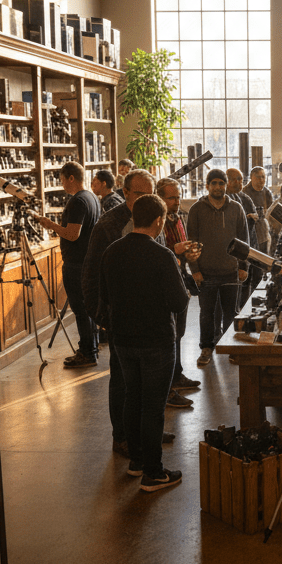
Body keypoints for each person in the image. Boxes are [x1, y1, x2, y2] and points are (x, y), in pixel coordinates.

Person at [98, 194, 187, 492]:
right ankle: (154, 472)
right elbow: (177, 301)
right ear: (159, 221)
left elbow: (105, 296)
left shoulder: (112, 252)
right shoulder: (162, 255)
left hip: (122, 338)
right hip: (156, 340)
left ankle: (136, 462)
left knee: (132, 398)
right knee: (153, 407)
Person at [83, 168, 175, 456]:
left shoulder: (152, 222)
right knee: (124, 382)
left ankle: (147, 435)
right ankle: (123, 436)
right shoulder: (109, 226)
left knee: (147, 387)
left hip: (151, 322)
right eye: (141, 194)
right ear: (125, 193)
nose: (148, 199)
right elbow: (91, 278)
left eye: (152, 194)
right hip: (123, 323)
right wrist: (103, 319)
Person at [31, 161, 100, 368]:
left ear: (71, 178)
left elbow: (72, 234)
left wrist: (50, 225)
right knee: (88, 309)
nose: (61, 184)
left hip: (76, 264)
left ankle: (87, 353)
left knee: (80, 310)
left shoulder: (78, 201)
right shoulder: (92, 198)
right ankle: (91, 348)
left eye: (62, 180)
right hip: (87, 261)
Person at [188, 169, 249, 366]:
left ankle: (231, 347)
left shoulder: (237, 208)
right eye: (213, 183)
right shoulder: (197, 209)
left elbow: (244, 242)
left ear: (226, 185)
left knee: (231, 313)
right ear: (207, 186)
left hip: (231, 271)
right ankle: (206, 348)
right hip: (206, 273)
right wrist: (195, 268)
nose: (217, 187)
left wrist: (243, 266)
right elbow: (192, 241)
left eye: (221, 183)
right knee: (206, 313)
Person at [155, 177, 202, 402]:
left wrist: (188, 254)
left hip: (179, 279)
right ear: (159, 197)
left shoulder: (177, 218)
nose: (176, 201)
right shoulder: (156, 222)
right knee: (169, 335)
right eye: (171, 197)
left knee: (179, 333)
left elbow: (177, 252)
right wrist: (176, 249)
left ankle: (177, 374)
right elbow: (157, 252)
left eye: (178, 197)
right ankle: (169, 384)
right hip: (164, 285)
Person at [226, 167, 259, 304]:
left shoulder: (244, 197)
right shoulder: (225, 199)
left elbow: (256, 214)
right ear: (227, 181)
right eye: (236, 179)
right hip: (233, 254)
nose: (240, 183)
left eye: (241, 179)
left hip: (249, 246)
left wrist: (254, 216)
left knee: (248, 285)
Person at [242, 166, 274, 256]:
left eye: (263, 177)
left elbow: (271, 209)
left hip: (263, 227)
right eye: (258, 177)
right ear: (251, 178)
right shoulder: (244, 192)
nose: (261, 180)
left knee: (264, 252)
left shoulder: (267, 192)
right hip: (249, 227)